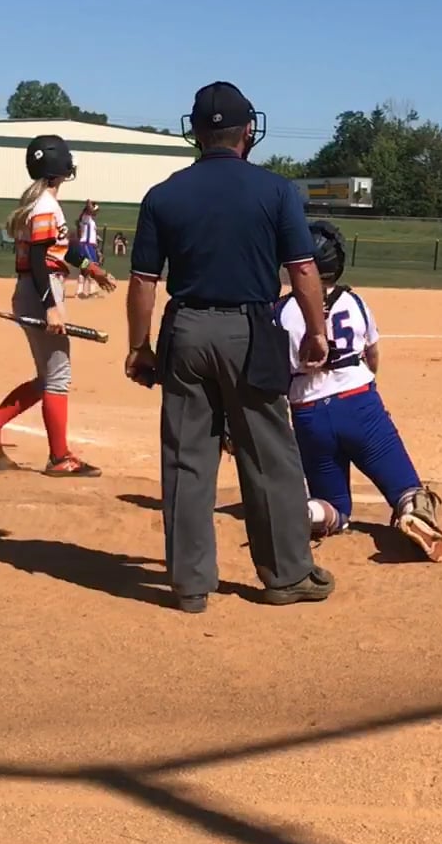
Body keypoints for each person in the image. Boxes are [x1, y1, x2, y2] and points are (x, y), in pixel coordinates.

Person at [124, 80, 334, 614]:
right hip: (249, 330)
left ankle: (191, 584)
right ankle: (286, 575)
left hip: (186, 330)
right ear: (248, 131)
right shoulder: (276, 191)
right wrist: (316, 331)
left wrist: (139, 346)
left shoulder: (164, 194)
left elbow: (144, 280)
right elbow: (302, 269)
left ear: (195, 132)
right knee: (269, 454)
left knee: (187, 458)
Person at [276, 220, 442, 562]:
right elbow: (372, 355)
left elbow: (276, 373)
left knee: (335, 508)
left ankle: (308, 512)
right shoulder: (353, 302)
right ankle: (412, 512)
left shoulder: (282, 311)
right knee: (407, 490)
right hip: (358, 404)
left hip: (309, 414)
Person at [0, 135, 115, 476]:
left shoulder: (39, 204)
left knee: (49, 376)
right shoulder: (46, 206)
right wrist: (51, 306)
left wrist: (89, 267)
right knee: (58, 377)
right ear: (62, 167)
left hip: (35, 290)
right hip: (42, 290)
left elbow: (60, 247)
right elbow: (38, 259)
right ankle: (60, 458)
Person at [74, 200, 103, 298]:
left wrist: (97, 249)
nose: (96, 212)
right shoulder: (86, 217)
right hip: (86, 245)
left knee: (85, 268)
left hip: (91, 246)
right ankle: (86, 291)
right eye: (96, 210)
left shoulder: (92, 221)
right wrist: (90, 204)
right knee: (91, 266)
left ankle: (82, 291)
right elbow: (88, 208)